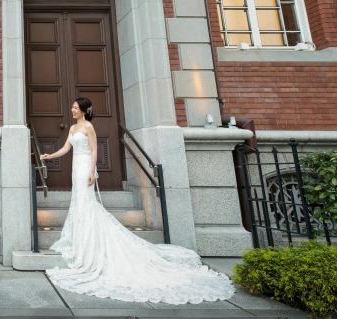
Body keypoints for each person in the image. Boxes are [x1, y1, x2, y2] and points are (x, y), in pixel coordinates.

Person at [39, 97, 234, 304]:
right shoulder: (72, 128)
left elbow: (94, 150)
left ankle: (90, 239)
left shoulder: (89, 127)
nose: (72, 110)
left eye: (76, 108)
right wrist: (50, 156)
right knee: (78, 201)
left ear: (85, 110)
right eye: (72, 107)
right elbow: (67, 149)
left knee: (87, 202)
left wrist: (91, 171)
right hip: (75, 166)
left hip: (85, 166)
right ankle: (80, 237)